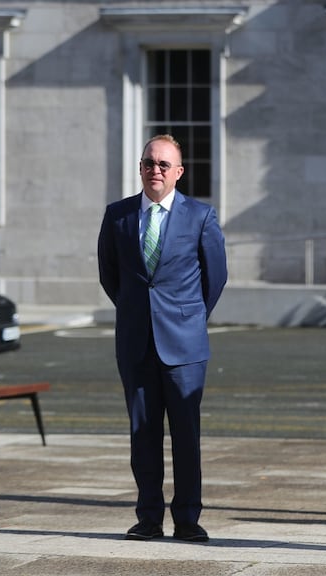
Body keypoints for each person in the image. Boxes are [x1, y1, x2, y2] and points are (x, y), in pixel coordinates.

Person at [97, 134, 228, 543]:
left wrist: (189, 318)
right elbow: (109, 274)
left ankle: (187, 518)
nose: (156, 170)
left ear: (179, 172)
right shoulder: (117, 215)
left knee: (185, 435)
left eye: (164, 165)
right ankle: (148, 517)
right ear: (140, 168)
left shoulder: (201, 216)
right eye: (149, 163)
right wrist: (140, 313)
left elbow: (216, 277)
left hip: (184, 345)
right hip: (136, 342)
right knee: (143, 434)